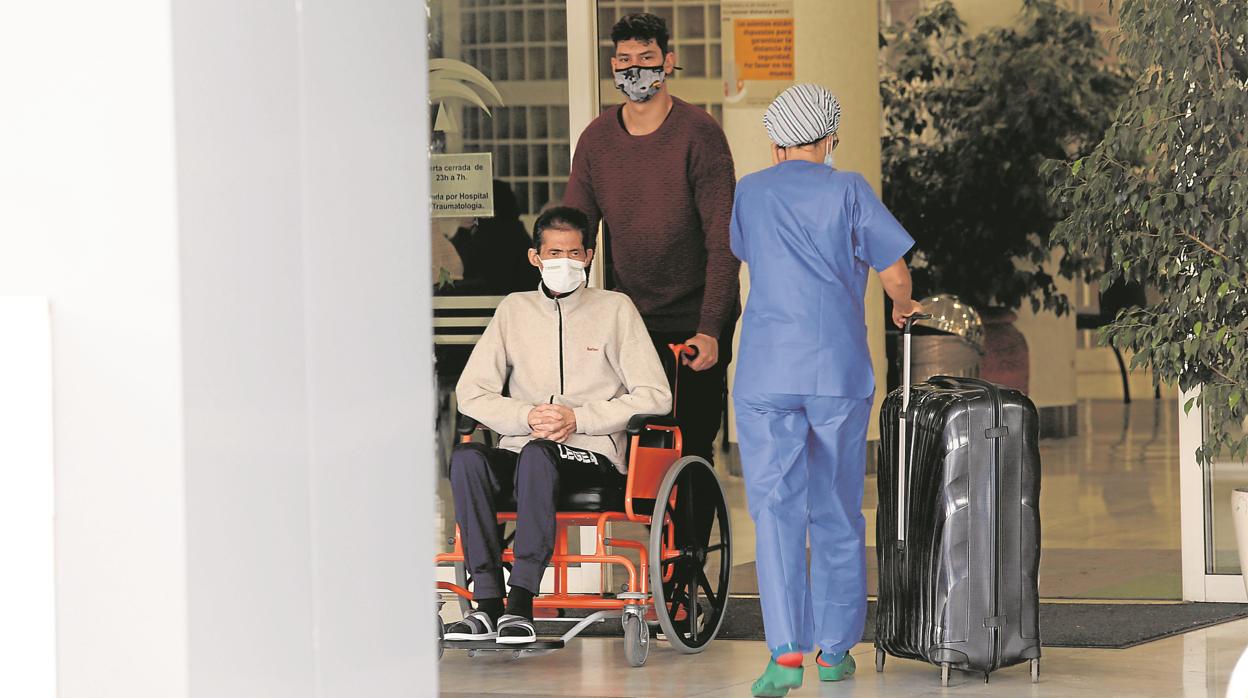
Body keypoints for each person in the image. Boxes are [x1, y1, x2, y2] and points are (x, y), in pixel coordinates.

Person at [729, 84, 923, 697]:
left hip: (765, 372)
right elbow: (893, 270)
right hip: (836, 373)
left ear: (777, 140)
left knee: (775, 511)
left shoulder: (750, 192)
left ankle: (785, 656)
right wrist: (902, 305)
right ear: (829, 137)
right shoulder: (849, 189)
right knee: (835, 510)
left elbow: (744, 252)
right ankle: (836, 652)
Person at [443, 206, 672, 645]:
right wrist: (525, 415)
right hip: (521, 444)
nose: (563, 262)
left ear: (588, 256)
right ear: (535, 257)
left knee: (538, 452)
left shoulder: (615, 310)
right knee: (468, 458)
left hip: (591, 454)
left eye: (573, 253)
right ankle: (488, 603)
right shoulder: (514, 310)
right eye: (553, 253)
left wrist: (579, 417)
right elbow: (471, 392)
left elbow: (655, 395)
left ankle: (522, 601)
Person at [563, 12, 739, 467]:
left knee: (691, 442)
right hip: (630, 318)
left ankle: (691, 541)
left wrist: (711, 328)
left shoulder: (700, 134)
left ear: (668, 61)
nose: (635, 70)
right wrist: (564, 299)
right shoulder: (597, 140)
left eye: (646, 58)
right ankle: (651, 535)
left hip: (693, 316)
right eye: (625, 60)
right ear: (612, 65)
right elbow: (577, 230)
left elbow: (723, 240)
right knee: (637, 443)